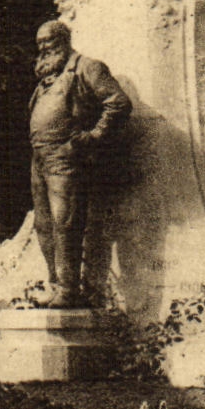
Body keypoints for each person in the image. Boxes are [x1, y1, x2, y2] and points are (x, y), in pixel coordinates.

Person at [28, 20, 132, 308]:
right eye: (40, 43)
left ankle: (69, 289)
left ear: (64, 40)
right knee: (43, 225)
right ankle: (54, 285)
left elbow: (118, 103)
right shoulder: (48, 79)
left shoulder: (87, 67)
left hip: (66, 157)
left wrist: (93, 136)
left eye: (49, 41)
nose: (44, 47)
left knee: (65, 223)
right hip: (40, 158)